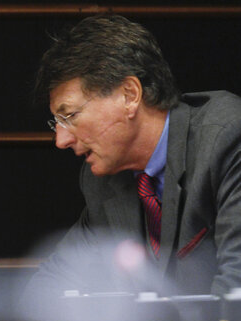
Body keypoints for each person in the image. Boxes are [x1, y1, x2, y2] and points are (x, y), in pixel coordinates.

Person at [25, 14, 241, 300]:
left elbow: (236, 292)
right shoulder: (101, 181)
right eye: (57, 123)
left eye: (70, 116)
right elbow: (48, 287)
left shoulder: (226, 138)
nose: (61, 140)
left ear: (129, 95)